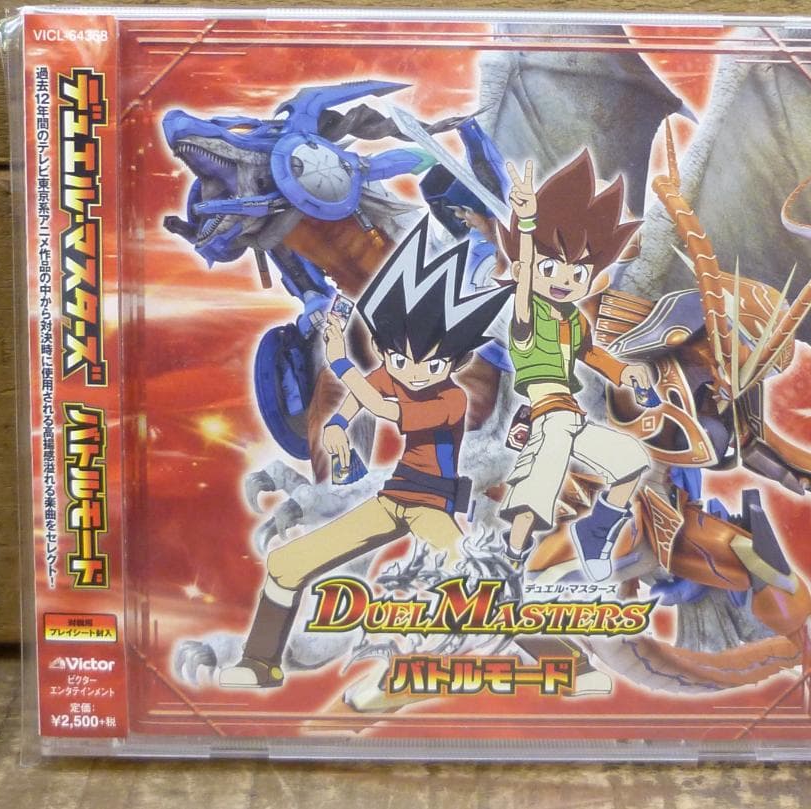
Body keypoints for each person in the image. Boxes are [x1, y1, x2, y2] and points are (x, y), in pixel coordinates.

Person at [220, 217, 511, 689]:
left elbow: (381, 404)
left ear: (455, 361)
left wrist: (339, 357)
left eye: (431, 362)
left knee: (481, 581)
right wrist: (337, 424)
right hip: (391, 500)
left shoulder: (449, 398)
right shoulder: (395, 373)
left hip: (432, 505)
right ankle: (258, 663)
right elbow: (367, 394)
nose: (411, 371)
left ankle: (561, 657)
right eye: (399, 358)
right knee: (287, 564)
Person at [498, 152, 653, 581]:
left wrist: (624, 373)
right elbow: (525, 280)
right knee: (535, 496)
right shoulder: (528, 316)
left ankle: (595, 531)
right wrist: (527, 224)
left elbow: (591, 354)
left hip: (573, 419)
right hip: (548, 419)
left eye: (579, 272)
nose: (565, 279)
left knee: (631, 461)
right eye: (552, 267)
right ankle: (510, 557)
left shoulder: (573, 319)